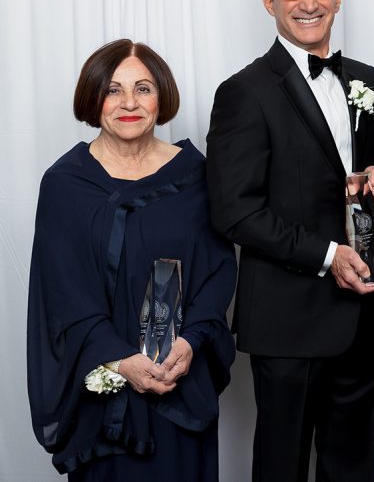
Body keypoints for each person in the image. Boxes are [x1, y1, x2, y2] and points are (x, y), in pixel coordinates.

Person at [206, 0, 374, 482]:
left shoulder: (368, 81)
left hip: (364, 316)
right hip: (288, 322)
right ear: (269, 2)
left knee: (353, 468)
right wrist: (328, 254)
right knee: (281, 468)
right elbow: (234, 212)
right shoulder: (243, 92)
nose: (307, 2)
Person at [26, 39, 236, 480]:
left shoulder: (197, 175)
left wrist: (191, 341)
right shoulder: (65, 184)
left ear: (162, 97)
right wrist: (119, 360)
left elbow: (217, 271)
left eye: (143, 89)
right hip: (103, 394)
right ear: (93, 97)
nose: (128, 103)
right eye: (113, 90)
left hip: (180, 378)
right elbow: (61, 291)